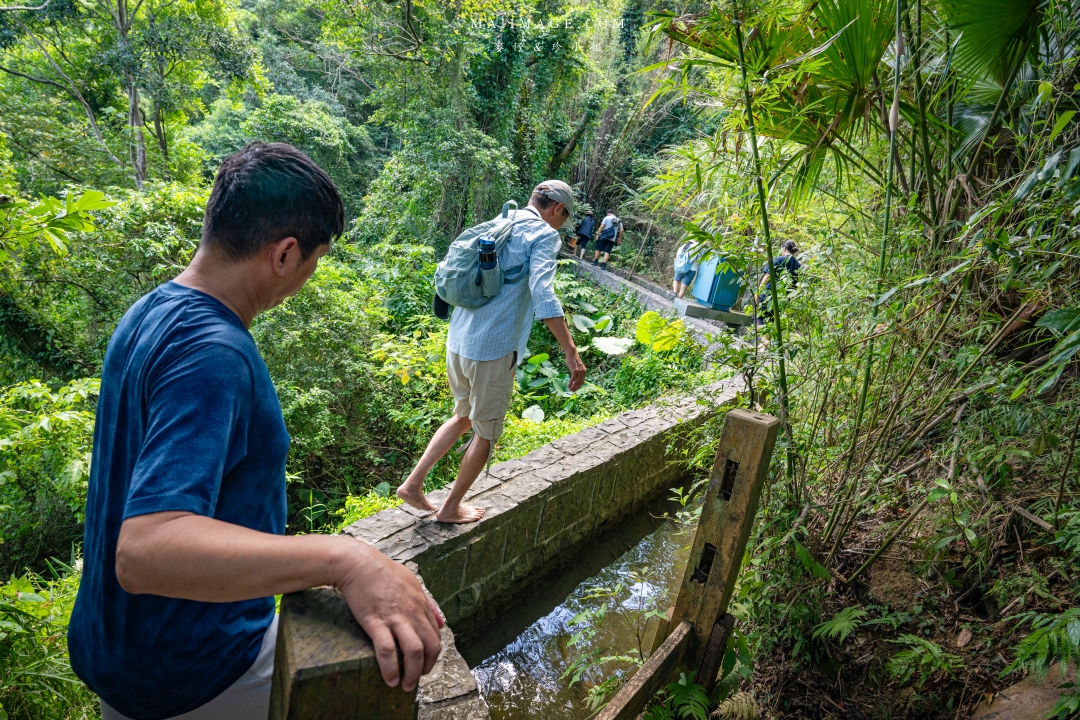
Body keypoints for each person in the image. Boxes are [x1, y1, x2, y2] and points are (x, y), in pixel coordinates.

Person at [68, 143, 444, 720]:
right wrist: (345, 559)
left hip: (119, 657)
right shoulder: (215, 355)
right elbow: (144, 551)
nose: (306, 278)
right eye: (314, 262)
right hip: (194, 675)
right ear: (285, 254)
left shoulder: (150, 310)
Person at [397, 180, 587, 523]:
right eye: (564, 219)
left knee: (463, 415)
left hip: (459, 341)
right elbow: (543, 295)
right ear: (557, 209)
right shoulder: (544, 236)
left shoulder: (504, 221)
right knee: (486, 432)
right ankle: (451, 508)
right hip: (493, 349)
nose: (562, 226)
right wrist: (571, 352)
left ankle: (412, 485)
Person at [755, 239, 801, 318]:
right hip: (783, 300)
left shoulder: (778, 259)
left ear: (784, 249)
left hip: (768, 297)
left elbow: (767, 276)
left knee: (759, 318)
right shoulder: (798, 265)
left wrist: (758, 293)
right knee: (773, 321)